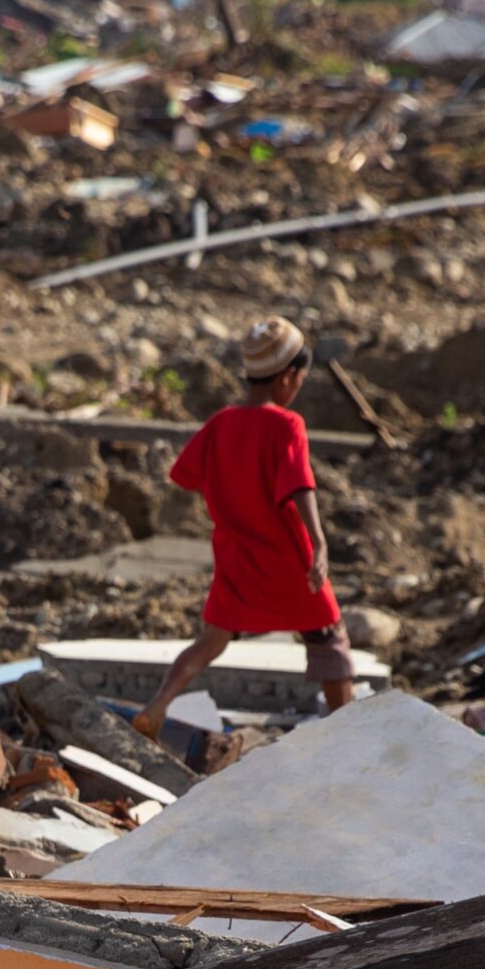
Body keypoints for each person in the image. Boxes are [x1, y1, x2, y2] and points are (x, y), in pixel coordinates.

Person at [132, 316, 355, 741]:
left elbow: (185, 474)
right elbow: (299, 487)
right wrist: (319, 543)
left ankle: (158, 705)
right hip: (288, 558)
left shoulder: (221, 423)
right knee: (329, 640)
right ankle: (346, 731)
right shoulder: (287, 425)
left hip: (236, 557)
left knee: (210, 642)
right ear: (288, 377)